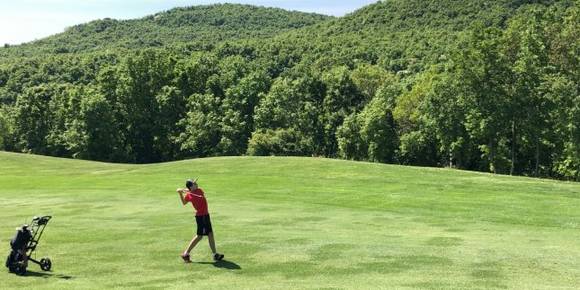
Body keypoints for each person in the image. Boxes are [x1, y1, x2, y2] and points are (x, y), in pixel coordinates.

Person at [177, 178, 224, 263]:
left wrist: (182, 190)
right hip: (201, 217)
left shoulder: (198, 191)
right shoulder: (191, 194)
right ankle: (186, 254)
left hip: (205, 215)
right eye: (194, 183)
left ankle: (215, 254)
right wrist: (180, 194)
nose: (197, 184)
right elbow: (184, 202)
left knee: (210, 234)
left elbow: (188, 194)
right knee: (199, 236)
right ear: (191, 186)